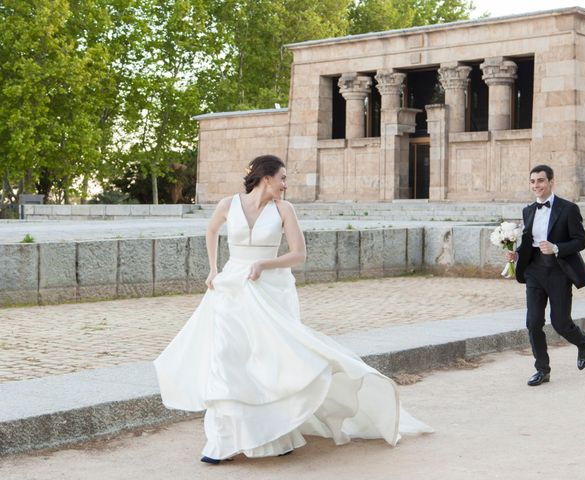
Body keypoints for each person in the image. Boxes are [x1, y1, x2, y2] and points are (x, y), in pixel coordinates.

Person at [154, 154, 431, 463]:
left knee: (270, 361)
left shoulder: (285, 210)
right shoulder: (227, 204)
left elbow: (299, 254)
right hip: (231, 288)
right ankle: (221, 442)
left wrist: (264, 263)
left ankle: (276, 437)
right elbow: (210, 230)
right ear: (266, 177)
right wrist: (212, 268)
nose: (285, 184)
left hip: (269, 289)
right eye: (282, 178)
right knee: (227, 357)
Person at [506, 164, 585, 387]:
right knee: (533, 322)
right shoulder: (528, 210)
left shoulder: (568, 209)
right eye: (533, 181)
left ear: (551, 182)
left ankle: (582, 342)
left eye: (541, 181)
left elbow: (580, 241)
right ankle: (542, 369)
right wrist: (515, 256)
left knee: (560, 323)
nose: (536, 185)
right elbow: (528, 243)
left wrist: (556, 248)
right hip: (534, 271)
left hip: (559, 273)